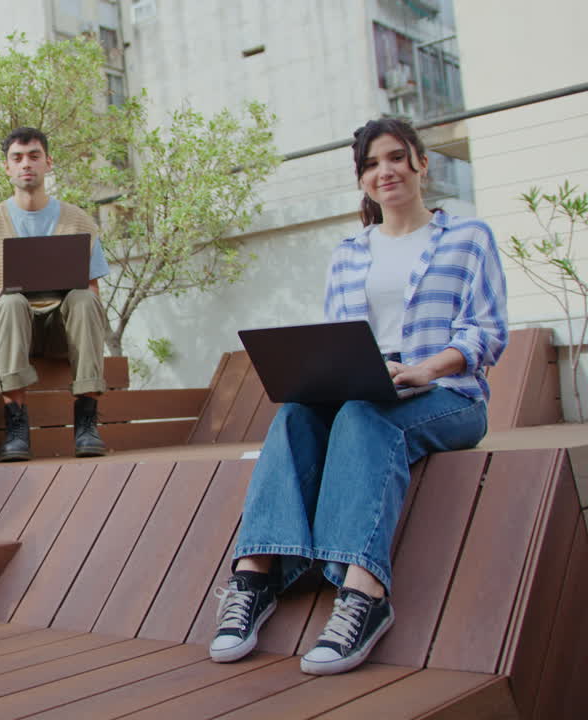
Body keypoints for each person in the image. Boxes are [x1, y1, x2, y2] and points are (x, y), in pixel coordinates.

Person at [208, 117, 508, 675]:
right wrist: (331, 372)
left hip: (449, 393)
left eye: (395, 157)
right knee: (296, 413)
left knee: (366, 417)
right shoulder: (349, 252)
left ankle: (364, 595)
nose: (384, 171)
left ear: (422, 163)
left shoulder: (468, 237)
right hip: (368, 386)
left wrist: (421, 369)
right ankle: (253, 578)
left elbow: (485, 333)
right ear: (362, 180)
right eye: (371, 164)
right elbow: (338, 338)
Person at [0, 127, 112, 462]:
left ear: (48, 162)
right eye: (17, 158)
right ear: (6, 167)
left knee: (85, 299)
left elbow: (93, 291)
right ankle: (16, 427)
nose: (26, 164)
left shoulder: (79, 222)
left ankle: (87, 423)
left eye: (33, 156)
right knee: (11, 302)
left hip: (62, 332)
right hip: (14, 331)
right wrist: (8, 291)